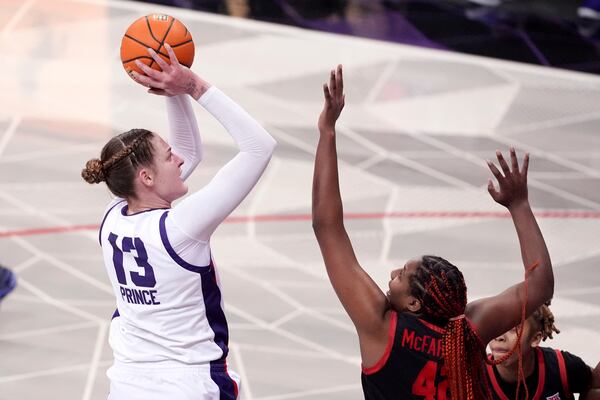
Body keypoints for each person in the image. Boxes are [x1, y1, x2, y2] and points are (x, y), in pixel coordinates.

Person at [311, 65, 554, 400]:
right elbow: (540, 286)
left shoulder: (381, 326)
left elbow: (327, 228)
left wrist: (327, 132)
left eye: (402, 275)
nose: (393, 272)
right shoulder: (467, 329)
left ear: (413, 302)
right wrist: (520, 205)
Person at [81, 44, 276, 400]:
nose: (181, 160)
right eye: (170, 157)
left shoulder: (112, 217)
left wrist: (173, 91)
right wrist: (194, 86)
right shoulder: (181, 229)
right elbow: (259, 146)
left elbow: (190, 149)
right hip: (187, 385)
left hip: (127, 385)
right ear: (147, 178)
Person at [487, 303, 600, 399]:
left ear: (535, 339)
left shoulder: (562, 367)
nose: (499, 336)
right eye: (497, 325)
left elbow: (595, 386)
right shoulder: (475, 374)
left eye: (513, 329)